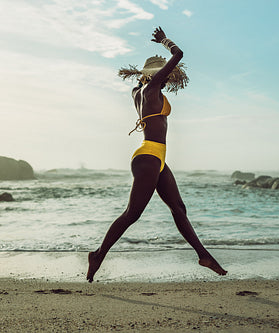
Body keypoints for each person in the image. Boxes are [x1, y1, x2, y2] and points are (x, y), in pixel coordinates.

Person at [86, 27, 227, 283]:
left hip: (156, 157)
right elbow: (179, 53)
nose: (167, 79)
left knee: (178, 208)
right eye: (163, 75)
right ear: (155, 76)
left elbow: (147, 82)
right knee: (133, 213)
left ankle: (204, 256)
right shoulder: (150, 91)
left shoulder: (138, 92)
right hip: (149, 156)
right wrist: (164, 41)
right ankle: (97, 255)